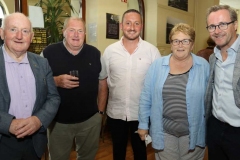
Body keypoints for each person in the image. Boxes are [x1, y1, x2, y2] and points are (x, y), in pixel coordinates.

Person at [138, 23, 209, 160]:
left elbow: (210, 100)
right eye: (176, 41)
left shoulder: (203, 66)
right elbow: (146, 96)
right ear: (171, 44)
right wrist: (143, 125)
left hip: (193, 133)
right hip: (164, 132)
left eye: (185, 41)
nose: (180, 45)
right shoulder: (157, 66)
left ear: (192, 44)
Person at [98, 9, 161, 160]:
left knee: (141, 153)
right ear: (121, 26)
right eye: (128, 23)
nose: (132, 27)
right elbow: (103, 82)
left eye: (136, 23)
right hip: (116, 113)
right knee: (117, 152)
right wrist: (101, 112)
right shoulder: (110, 51)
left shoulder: (152, 51)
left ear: (141, 26)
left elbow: (158, 86)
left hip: (142, 115)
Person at [0, 12, 60, 160]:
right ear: (2, 33)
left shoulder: (41, 63)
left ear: (31, 37)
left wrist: (38, 120)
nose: (19, 36)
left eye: (25, 31)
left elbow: (53, 98)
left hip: (34, 144)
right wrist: (8, 123)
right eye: (13, 29)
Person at [42, 17, 102, 160]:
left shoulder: (95, 54)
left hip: (90, 121)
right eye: (72, 30)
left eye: (80, 31)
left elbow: (103, 83)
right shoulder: (48, 53)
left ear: (85, 34)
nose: (76, 35)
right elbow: (37, 82)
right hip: (59, 122)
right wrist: (55, 81)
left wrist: (100, 112)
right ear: (64, 32)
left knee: (87, 157)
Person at [205, 5, 240, 160]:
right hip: (215, 127)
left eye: (222, 24)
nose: (217, 31)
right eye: (212, 26)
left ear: (235, 25)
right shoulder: (213, 57)